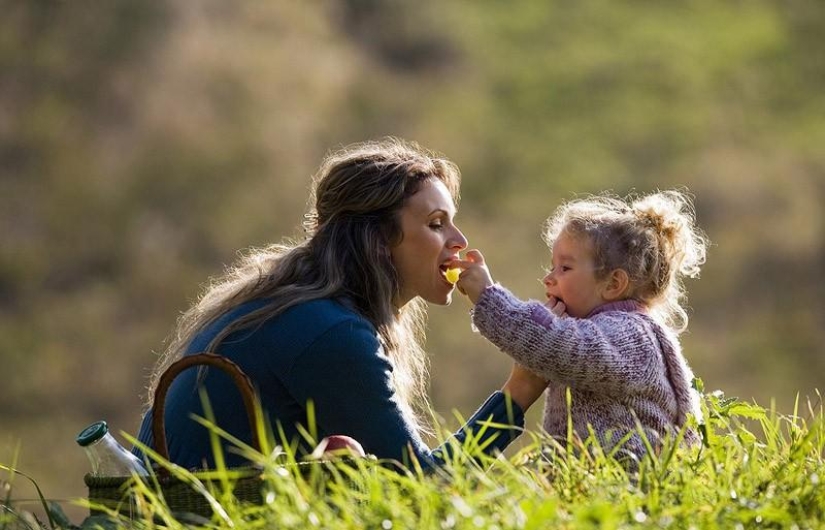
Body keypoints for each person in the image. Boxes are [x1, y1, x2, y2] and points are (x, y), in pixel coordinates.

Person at [133, 137, 547, 471]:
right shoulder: (330, 332)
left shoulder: (292, 306)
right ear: (380, 241)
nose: (459, 241)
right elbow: (424, 488)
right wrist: (520, 390)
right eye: (436, 224)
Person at [451, 190, 708, 463]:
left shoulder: (631, 334)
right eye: (552, 267)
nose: (548, 279)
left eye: (565, 268)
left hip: (624, 492)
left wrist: (489, 297)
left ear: (613, 284)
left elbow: (557, 345)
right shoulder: (607, 328)